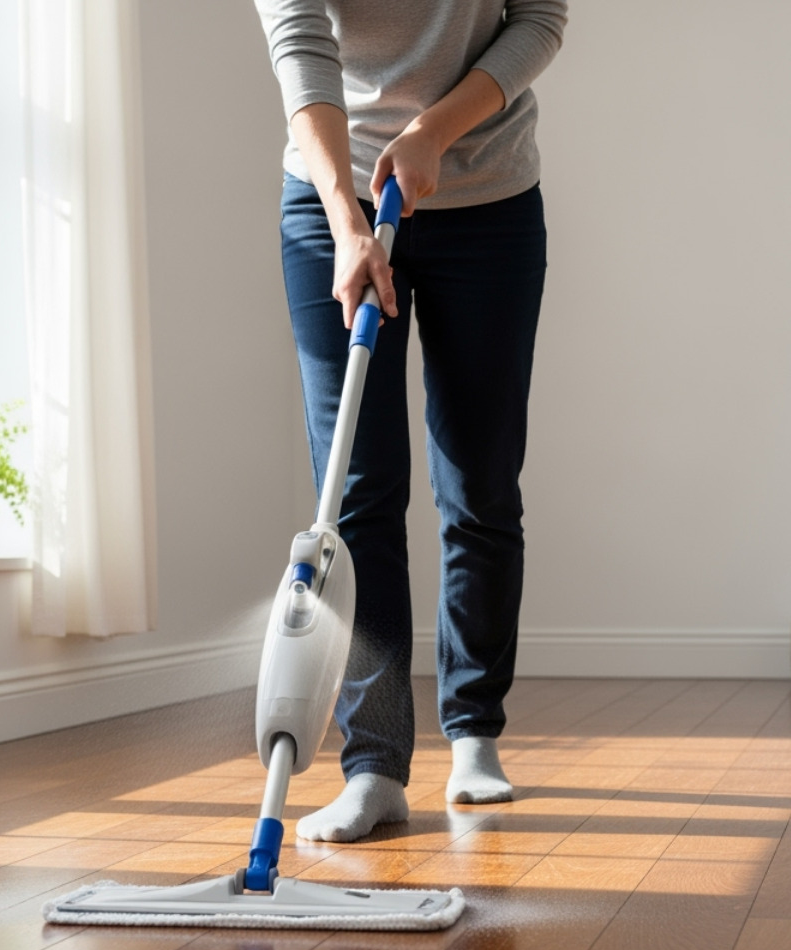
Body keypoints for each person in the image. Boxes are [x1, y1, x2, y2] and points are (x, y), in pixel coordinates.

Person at [256, 0, 568, 842]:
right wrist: (344, 214)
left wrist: (434, 130)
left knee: (478, 484)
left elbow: (538, 18)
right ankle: (375, 767)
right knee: (357, 494)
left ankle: (474, 733)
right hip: (333, 197)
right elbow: (301, 43)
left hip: (489, 195)